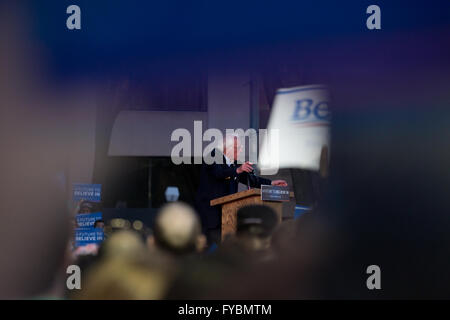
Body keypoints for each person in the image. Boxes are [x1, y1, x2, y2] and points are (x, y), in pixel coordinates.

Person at [195, 134, 287, 245]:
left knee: (223, 247)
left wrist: (271, 183)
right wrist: (238, 170)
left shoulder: (231, 163)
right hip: (211, 215)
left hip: (226, 216)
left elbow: (249, 179)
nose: (240, 150)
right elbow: (218, 173)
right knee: (208, 248)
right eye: (237, 148)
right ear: (227, 148)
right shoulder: (214, 155)